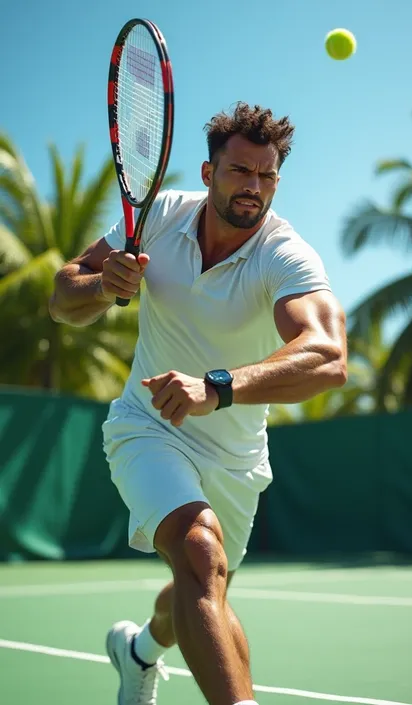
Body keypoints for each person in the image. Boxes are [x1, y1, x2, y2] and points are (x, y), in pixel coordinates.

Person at [49, 102, 347, 705]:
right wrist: (103, 285)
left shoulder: (285, 254)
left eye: (266, 176)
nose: (253, 188)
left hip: (237, 455)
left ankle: (137, 652)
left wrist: (218, 388)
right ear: (208, 173)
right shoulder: (157, 216)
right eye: (240, 172)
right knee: (199, 552)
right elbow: (62, 294)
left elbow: (328, 356)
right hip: (147, 426)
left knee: (201, 583)